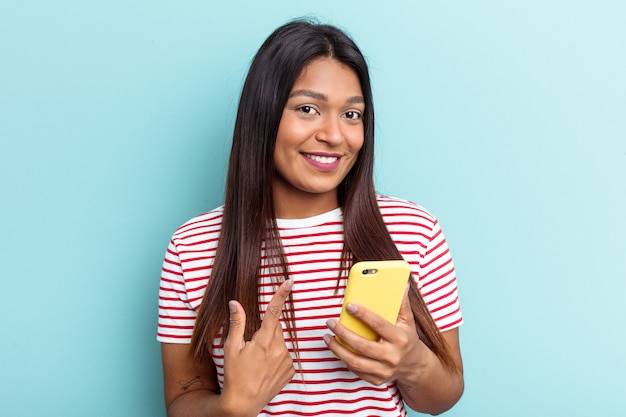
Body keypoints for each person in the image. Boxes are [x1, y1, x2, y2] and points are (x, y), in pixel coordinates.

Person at [157, 19, 464, 417]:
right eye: (308, 109)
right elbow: (183, 397)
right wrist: (231, 408)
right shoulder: (193, 246)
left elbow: (446, 394)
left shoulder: (414, 230)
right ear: (263, 114)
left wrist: (413, 364)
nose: (335, 135)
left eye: (352, 115)